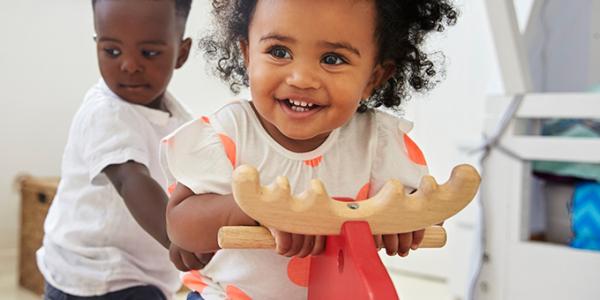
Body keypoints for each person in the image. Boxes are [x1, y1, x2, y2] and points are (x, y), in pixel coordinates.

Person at [162, 0, 458, 299]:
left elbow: (426, 211)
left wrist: (406, 221)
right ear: (248, 55)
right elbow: (180, 225)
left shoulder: (376, 142)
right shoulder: (230, 133)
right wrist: (261, 211)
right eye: (279, 52)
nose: (301, 78)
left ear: (374, 78)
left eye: (332, 59)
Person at [36, 1, 207, 299]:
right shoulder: (106, 112)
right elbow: (131, 180)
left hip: (141, 272)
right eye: (112, 51)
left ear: (181, 53)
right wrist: (177, 237)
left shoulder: (179, 118)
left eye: (149, 53)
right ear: (97, 46)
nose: (129, 65)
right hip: (91, 274)